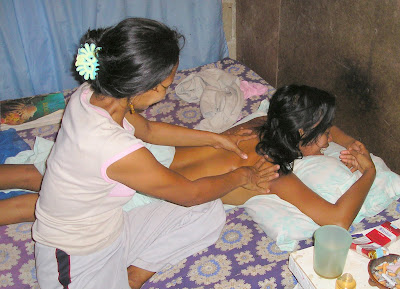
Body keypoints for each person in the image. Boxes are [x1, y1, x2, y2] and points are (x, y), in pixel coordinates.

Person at [20, 18, 280, 289]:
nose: (165, 94)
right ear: (144, 87)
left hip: (110, 230)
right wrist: (243, 175)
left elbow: (148, 131)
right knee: (199, 200)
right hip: (75, 260)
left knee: (209, 211)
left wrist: (216, 139)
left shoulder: (93, 94)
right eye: (166, 86)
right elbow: (191, 194)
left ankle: (133, 277)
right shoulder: (113, 147)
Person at [1, 85, 375, 230]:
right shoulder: (272, 173)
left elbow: (300, 123)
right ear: (300, 134)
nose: (330, 141)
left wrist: (352, 141)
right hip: (152, 188)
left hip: (144, 157)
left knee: (40, 173)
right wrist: (368, 172)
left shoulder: (262, 123)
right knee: (38, 205)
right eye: (325, 133)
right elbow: (337, 220)